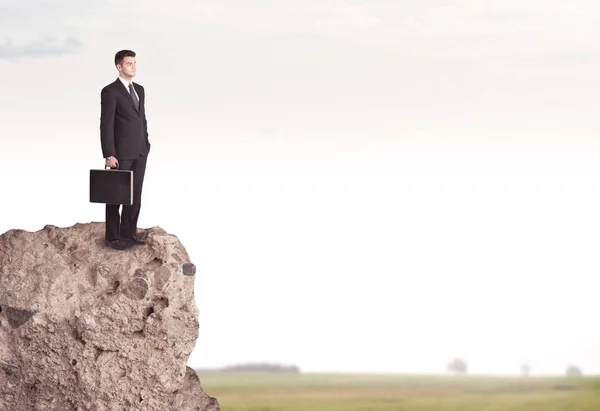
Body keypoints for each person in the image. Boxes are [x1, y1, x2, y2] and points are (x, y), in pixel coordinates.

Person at [100, 49, 151, 250]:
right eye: (129, 63)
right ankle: (112, 237)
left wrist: (146, 143)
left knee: (135, 194)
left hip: (140, 151)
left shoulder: (140, 90)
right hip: (120, 153)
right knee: (116, 195)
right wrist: (108, 153)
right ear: (119, 66)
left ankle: (129, 233)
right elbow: (106, 124)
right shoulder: (110, 91)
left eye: (135, 63)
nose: (133, 66)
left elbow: (142, 119)